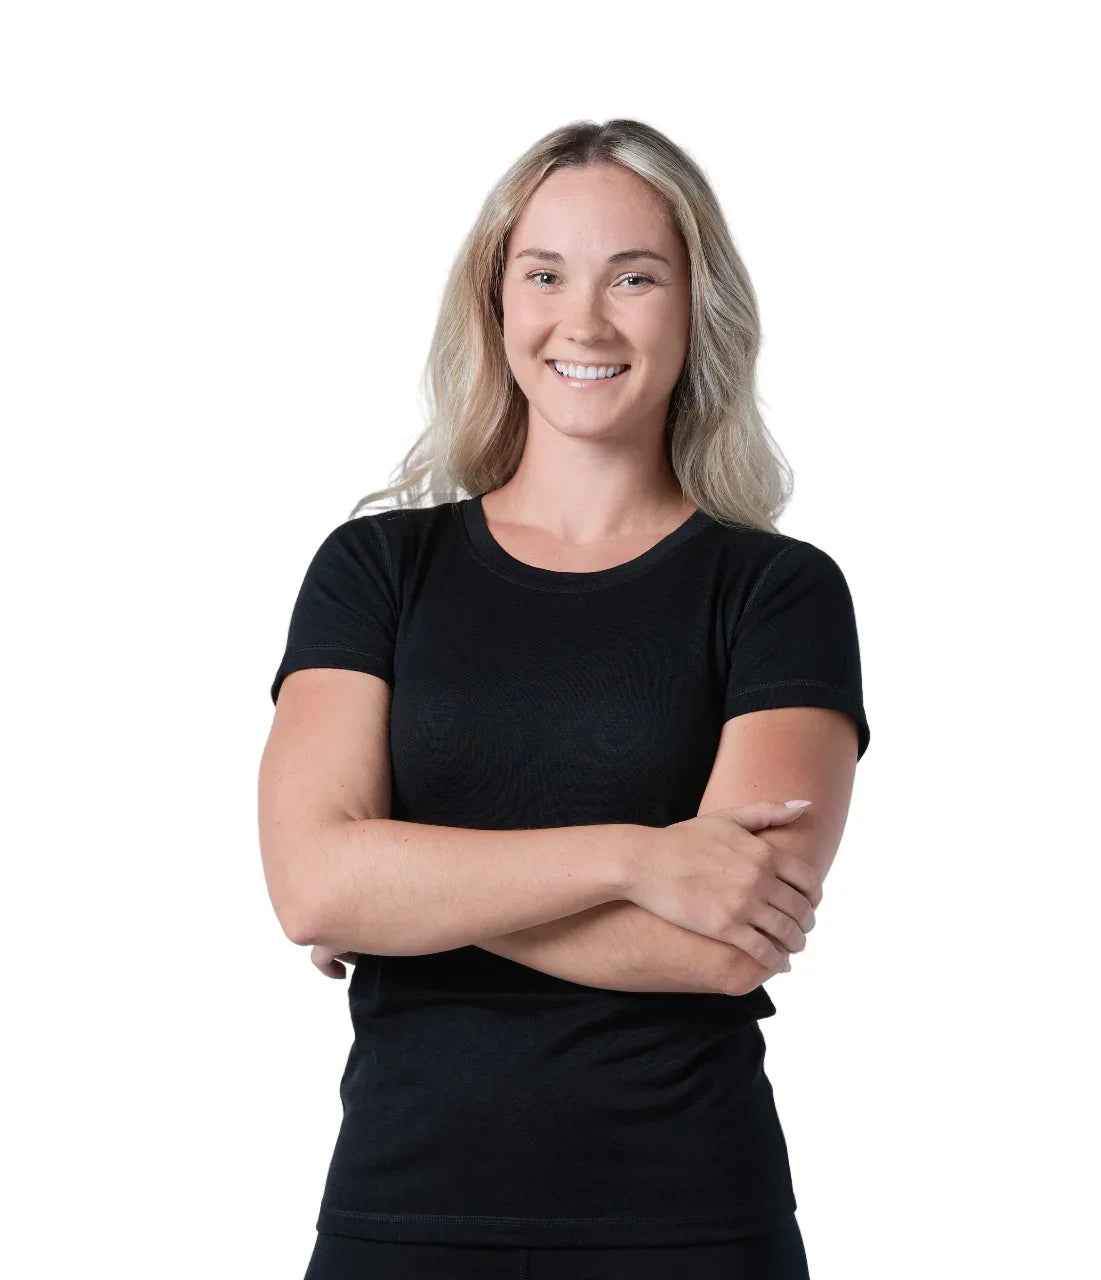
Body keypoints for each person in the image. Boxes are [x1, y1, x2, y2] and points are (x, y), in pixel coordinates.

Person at [259, 117, 869, 1279]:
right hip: (404, 1217)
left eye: (634, 277)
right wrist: (638, 858)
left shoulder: (778, 593)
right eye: (544, 274)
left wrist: (402, 887)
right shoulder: (378, 569)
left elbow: (724, 943)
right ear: (496, 304)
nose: (583, 322)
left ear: (697, 311)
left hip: (691, 1221)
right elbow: (310, 884)